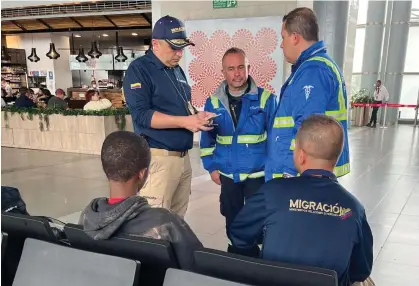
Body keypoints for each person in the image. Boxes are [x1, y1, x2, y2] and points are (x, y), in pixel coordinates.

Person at [230, 114, 373, 286]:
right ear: (337, 156)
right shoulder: (353, 209)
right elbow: (361, 270)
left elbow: (239, 234)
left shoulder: (273, 192)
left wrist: (258, 261)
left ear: (301, 156)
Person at [123, 15, 215, 217]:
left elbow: (183, 108)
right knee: (154, 226)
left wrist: (197, 116)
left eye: (182, 48)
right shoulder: (139, 70)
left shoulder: (176, 71)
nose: (179, 53)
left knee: (176, 224)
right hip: (159, 160)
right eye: (174, 47)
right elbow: (141, 115)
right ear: (155, 44)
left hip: (183, 160)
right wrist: (185, 121)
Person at [79, 131, 203, 270]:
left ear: (105, 168)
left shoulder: (87, 217)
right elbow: (199, 268)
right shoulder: (165, 223)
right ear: (142, 173)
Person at [200, 47, 275, 252]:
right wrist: (211, 167)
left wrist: (273, 169)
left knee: (258, 218)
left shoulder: (266, 99)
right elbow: (207, 139)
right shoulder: (213, 102)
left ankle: (259, 260)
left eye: (241, 67)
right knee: (231, 217)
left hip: (257, 174)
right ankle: (235, 257)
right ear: (223, 72)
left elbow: (276, 138)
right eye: (231, 68)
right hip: (227, 173)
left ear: (248, 68)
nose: (237, 73)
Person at [265, 7, 350, 180]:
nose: (281, 44)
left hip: (297, 176)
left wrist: (289, 175)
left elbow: (307, 130)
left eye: (283, 37)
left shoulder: (313, 72)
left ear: (295, 37)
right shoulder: (317, 66)